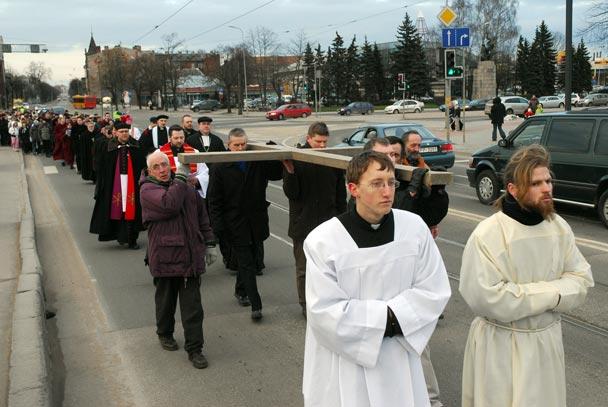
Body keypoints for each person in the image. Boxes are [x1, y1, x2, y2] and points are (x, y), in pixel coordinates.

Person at [302, 151, 451, 407]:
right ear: (353, 189)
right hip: (348, 364)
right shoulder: (324, 241)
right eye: (377, 183)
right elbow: (324, 311)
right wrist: (393, 316)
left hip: (399, 357)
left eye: (391, 182)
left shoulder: (414, 229)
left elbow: (434, 288)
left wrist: (389, 319)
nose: (387, 191)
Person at [459, 145, 593, 407]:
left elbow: (582, 280)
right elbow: (487, 298)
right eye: (536, 183)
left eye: (548, 181)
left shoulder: (559, 227)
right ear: (513, 189)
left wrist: (528, 294)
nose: (547, 189)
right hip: (501, 345)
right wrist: (554, 292)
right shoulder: (489, 234)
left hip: (545, 343)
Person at [140, 150, 218, 369]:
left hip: (190, 257)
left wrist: (210, 243)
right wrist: (182, 180)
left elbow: (202, 215)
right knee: (165, 301)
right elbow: (169, 204)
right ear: (149, 171)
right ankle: (164, 333)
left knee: (193, 307)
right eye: (156, 167)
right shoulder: (147, 190)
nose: (162, 170)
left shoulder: (184, 185)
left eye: (165, 165)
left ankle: (195, 349)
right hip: (165, 257)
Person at [207, 128, 283, 321]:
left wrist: (273, 150)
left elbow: (276, 174)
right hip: (234, 222)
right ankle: (255, 305)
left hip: (256, 219)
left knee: (251, 259)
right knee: (247, 263)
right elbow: (214, 200)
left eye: (243, 144)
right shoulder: (220, 166)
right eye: (236, 145)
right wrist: (217, 228)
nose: (241, 148)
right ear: (228, 145)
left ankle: (241, 290)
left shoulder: (255, 161)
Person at [282, 121, 347, 317]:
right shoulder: (297, 158)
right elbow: (292, 194)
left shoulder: (332, 160)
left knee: (331, 270)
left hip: (329, 225)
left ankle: (329, 303)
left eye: (325, 142)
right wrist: (291, 172)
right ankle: (305, 305)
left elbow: (339, 195)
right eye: (318, 142)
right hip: (303, 225)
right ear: (308, 138)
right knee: (304, 270)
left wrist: (342, 221)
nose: (322, 146)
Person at [89, 121, 145, 249]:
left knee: (132, 210)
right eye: (122, 132)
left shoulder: (136, 146)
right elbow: (101, 167)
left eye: (126, 131)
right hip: (114, 184)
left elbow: (142, 165)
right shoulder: (109, 147)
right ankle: (120, 235)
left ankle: (132, 239)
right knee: (118, 209)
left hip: (132, 184)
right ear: (116, 132)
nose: (124, 134)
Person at [158, 125, 210, 198]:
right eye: (176, 138)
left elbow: (204, 172)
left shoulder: (194, 152)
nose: (179, 140)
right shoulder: (159, 154)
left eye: (181, 137)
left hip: (190, 194)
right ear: (170, 138)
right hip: (169, 194)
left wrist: (197, 180)